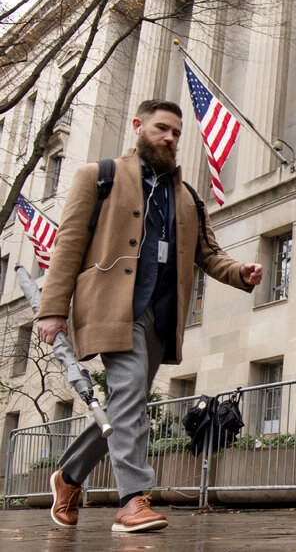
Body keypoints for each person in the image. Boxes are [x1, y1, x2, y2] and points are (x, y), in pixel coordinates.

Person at [35, 99, 263, 533]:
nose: (170, 138)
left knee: (126, 405)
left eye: (177, 133)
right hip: (112, 310)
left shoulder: (188, 197)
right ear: (138, 125)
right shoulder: (98, 176)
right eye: (162, 129)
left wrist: (241, 272)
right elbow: (67, 245)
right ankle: (132, 500)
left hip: (161, 316)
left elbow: (209, 254)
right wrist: (51, 310)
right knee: (129, 402)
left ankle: (68, 477)